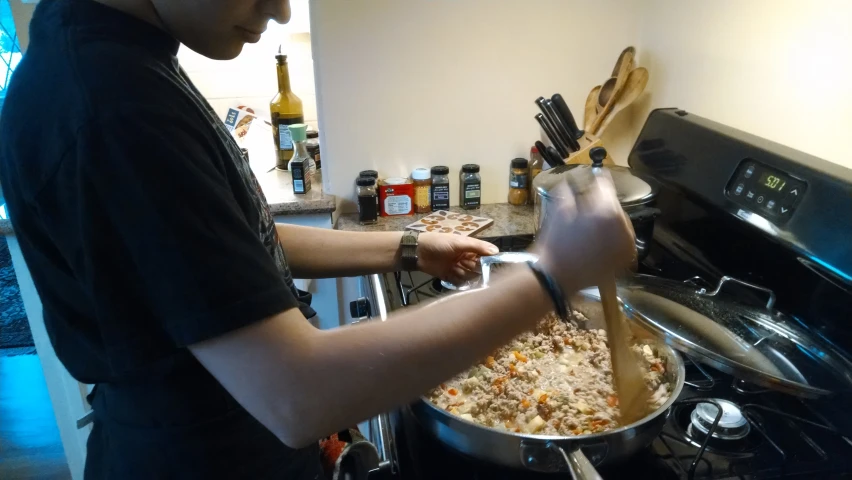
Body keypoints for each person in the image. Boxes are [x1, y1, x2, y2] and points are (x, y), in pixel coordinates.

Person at [0, 0, 635, 478]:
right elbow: (296, 395)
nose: (278, 10)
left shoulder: (120, 56)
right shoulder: (115, 108)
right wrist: (552, 274)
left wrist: (408, 246)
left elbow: (230, 246)